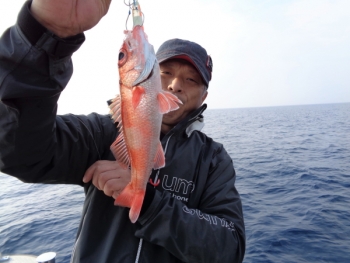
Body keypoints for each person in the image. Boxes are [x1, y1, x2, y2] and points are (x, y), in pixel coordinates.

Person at [0, 0, 245, 262]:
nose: (174, 85)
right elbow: (18, 152)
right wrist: (45, 35)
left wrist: (150, 202)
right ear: (151, 72)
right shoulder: (100, 134)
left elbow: (229, 249)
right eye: (165, 72)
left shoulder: (213, 160)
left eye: (191, 80)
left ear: (204, 94)